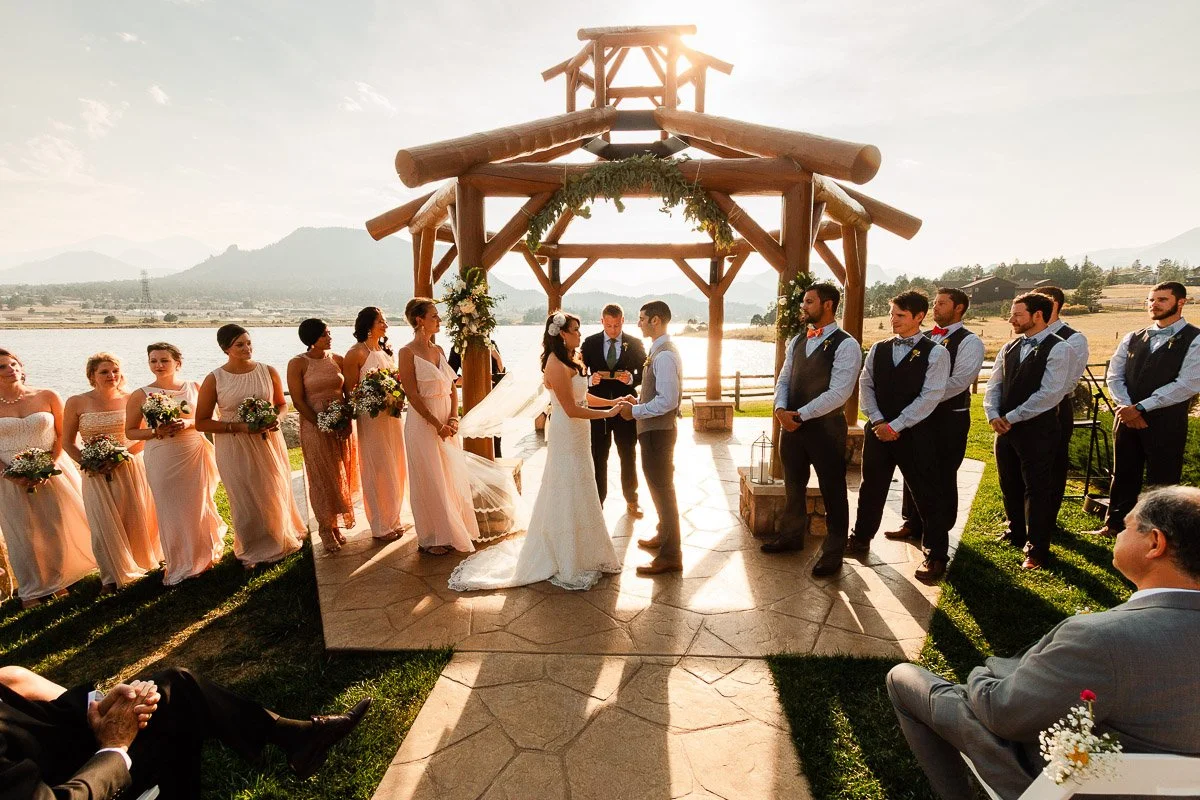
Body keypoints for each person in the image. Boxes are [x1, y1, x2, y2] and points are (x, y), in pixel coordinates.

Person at [887, 485, 1200, 800]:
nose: (1118, 533)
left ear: (1155, 543)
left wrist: (985, 671)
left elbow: (1002, 713)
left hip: (1063, 785)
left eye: (1127, 525)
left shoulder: (1101, 638)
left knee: (903, 678)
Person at [0, 663, 372, 800]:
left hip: (68, 750)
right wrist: (113, 748)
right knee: (175, 720)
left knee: (174, 688)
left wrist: (103, 705)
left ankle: (298, 738)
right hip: (81, 781)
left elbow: (20, 686)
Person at [448, 311, 623, 591]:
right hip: (568, 432)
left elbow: (583, 396)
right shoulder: (555, 363)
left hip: (579, 434)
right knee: (566, 487)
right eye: (575, 330)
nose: (579, 335)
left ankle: (586, 551)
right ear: (561, 333)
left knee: (583, 485)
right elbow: (571, 408)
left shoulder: (572, 359)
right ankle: (564, 555)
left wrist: (611, 401)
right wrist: (610, 413)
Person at [847, 291, 952, 584]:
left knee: (926, 493)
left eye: (900, 315)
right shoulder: (879, 349)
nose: (893, 320)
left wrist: (898, 425)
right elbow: (865, 384)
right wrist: (879, 420)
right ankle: (861, 538)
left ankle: (936, 555)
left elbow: (930, 396)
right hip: (879, 430)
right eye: (892, 314)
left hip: (916, 433)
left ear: (919, 317)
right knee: (871, 488)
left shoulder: (936, 353)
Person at [762, 283, 862, 577]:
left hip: (826, 429)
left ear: (827, 305)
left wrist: (799, 415)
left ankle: (833, 552)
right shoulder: (797, 341)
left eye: (808, 301)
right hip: (792, 428)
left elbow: (839, 393)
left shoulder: (847, 345)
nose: (802, 307)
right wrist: (780, 410)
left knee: (833, 490)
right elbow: (783, 378)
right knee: (793, 485)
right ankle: (791, 536)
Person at [1090, 282, 1200, 538]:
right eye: (1151, 300)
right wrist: (1126, 407)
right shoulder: (1132, 337)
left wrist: (1141, 407)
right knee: (1123, 472)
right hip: (1126, 417)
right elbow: (1114, 376)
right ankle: (1115, 525)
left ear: (1180, 302)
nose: (1154, 304)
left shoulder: (1195, 339)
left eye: (1162, 299)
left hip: (1166, 420)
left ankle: (1156, 532)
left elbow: (1187, 384)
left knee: (1163, 477)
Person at [885, 287, 985, 558]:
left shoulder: (970, 342)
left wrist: (925, 396)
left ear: (959, 309)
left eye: (942, 304)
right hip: (919, 418)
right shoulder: (924, 339)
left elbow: (959, 382)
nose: (936, 308)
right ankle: (912, 522)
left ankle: (938, 530)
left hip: (949, 418)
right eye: (935, 303)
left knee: (941, 474)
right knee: (913, 469)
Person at [195, 325, 304, 568]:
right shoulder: (215, 378)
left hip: (268, 440)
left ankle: (279, 537)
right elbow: (201, 421)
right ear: (226, 349)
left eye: (248, 342)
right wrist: (240, 428)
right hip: (233, 443)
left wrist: (278, 418)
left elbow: (281, 404)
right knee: (243, 493)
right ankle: (252, 548)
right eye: (240, 345)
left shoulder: (268, 371)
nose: (247, 348)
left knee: (272, 487)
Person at [0, 348, 96, 608]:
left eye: (13, 364)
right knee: (22, 531)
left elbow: (64, 436)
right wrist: (10, 473)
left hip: (52, 469)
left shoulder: (47, 395)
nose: (11, 370)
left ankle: (58, 580)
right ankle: (32, 588)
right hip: (8, 475)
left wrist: (47, 466)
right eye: (3, 367)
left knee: (54, 526)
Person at [125, 342, 226, 586]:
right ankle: (179, 561)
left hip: (192, 450)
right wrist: (154, 431)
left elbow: (210, 418)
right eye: (153, 361)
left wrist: (189, 423)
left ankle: (205, 555)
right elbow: (130, 432)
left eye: (164, 360)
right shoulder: (141, 394)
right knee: (170, 509)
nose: (158, 365)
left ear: (177, 363)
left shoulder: (194, 387)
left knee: (199, 503)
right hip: (162, 455)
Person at [984, 293, 1071, 570]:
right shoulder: (1009, 347)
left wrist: (1012, 416)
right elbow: (994, 383)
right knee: (1009, 483)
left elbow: (1050, 393)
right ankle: (1015, 531)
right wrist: (992, 413)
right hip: (1005, 428)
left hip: (1038, 429)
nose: (1011, 319)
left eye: (1017, 314)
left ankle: (1037, 549)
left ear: (1038, 315)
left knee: (1037, 489)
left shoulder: (1059, 348)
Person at [64, 352, 163, 592]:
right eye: (104, 372)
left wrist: (123, 456)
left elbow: (141, 435)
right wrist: (89, 462)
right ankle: (110, 575)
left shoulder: (132, 398)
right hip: (95, 471)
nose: (112, 376)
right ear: (92, 375)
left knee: (135, 516)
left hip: (129, 466)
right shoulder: (76, 402)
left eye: (115, 371)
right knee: (103, 521)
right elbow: (68, 442)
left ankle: (140, 564)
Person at [397, 298, 477, 555]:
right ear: (419, 320)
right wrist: (436, 424)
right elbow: (411, 393)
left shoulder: (440, 350)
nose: (439, 320)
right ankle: (432, 536)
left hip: (447, 419)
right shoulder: (406, 352)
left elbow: (452, 387)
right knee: (429, 476)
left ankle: (452, 529)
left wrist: (454, 417)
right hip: (423, 422)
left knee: (449, 475)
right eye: (434, 316)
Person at [618, 300, 685, 576]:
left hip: (659, 434)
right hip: (653, 432)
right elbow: (657, 394)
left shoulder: (665, 355)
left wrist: (635, 410)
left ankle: (671, 554)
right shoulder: (658, 352)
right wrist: (639, 399)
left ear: (656, 320)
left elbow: (668, 401)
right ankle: (663, 534)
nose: (639, 323)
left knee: (663, 491)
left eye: (642, 318)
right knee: (657, 488)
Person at [288, 319, 359, 554]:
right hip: (314, 424)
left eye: (329, 333)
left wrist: (346, 419)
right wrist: (320, 422)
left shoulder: (337, 359)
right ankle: (325, 528)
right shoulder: (298, 363)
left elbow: (348, 393)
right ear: (311, 339)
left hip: (340, 422)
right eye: (324, 335)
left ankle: (336, 523)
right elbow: (297, 400)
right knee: (322, 474)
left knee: (340, 473)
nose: (329, 337)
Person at [343, 307, 408, 543]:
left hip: (391, 417)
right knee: (377, 467)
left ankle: (394, 518)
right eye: (381, 321)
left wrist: (396, 396)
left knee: (396, 465)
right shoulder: (356, 353)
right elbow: (351, 392)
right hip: (371, 419)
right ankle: (380, 524)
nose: (386, 325)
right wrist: (375, 397)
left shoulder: (385, 351)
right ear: (368, 325)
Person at [580, 303, 646, 517]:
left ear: (622, 321)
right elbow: (578, 374)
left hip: (626, 408)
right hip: (597, 409)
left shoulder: (634, 343)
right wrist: (590, 379)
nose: (613, 330)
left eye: (617, 326)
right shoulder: (589, 344)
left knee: (628, 453)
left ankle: (632, 500)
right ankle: (598, 502)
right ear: (602, 322)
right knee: (598, 455)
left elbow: (646, 373)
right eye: (609, 326)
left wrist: (632, 378)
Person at [1033, 285, 1090, 521]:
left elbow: (1069, 381)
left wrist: (1044, 401)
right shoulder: (1028, 337)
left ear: (1052, 304)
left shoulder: (1073, 339)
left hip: (1055, 408)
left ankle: (1047, 519)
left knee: (1052, 465)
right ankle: (1022, 518)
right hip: (1021, 410)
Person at [447, 341, 505, 456]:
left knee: (496, 438)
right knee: (475, 437)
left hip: (493, 398)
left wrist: (497, 357)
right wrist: (473, 379)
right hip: (473, 399)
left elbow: (501, 372)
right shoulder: (458, 347)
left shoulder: (491, 343)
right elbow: (450, 377)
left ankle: (497, 466)